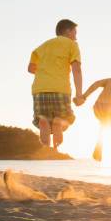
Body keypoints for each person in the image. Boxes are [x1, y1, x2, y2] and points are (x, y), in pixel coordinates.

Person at [28, 19, 82, 150]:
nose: (76, 36)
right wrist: (79, 93)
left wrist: (46, 71)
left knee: (43, 121)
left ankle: (46, 152)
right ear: (68, 31)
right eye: (75, 32)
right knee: (62, 119)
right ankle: (56, 150)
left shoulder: (43, 45)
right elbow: (76, 69)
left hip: (40, 90)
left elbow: (30, 68)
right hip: (60, 89)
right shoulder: (72, 44)